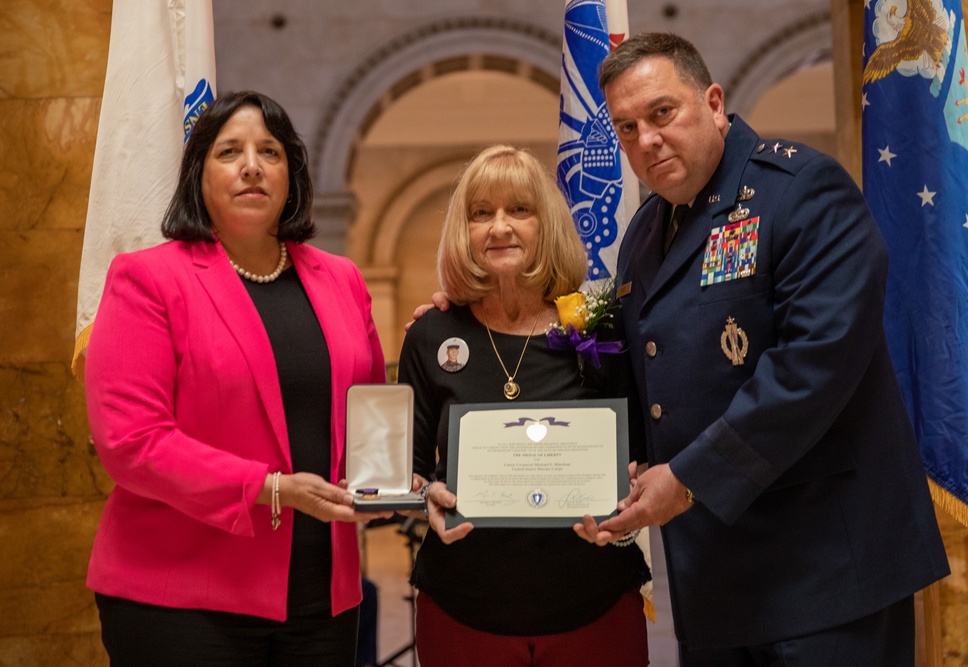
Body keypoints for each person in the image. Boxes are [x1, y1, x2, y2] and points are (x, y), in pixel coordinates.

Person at [585, 32, 950, 664]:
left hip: (828, 571)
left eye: (662, 113)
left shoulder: (801, 188)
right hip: (718, 583)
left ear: (715, 102)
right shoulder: (646, 232)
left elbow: (816, 362)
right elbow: (649, 375)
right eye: (626, 127)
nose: (645, 139)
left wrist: (689, 477)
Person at [84, 90, 391, 666]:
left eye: (269, 152)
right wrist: (269, 488)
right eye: (229, 151)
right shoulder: (147, 279)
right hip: (182, 598)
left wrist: (392, 484)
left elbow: (370, 419)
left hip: (323, 599)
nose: (252, 165)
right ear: (198, 174)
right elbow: (132, 443)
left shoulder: (342, 279)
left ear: (291, 176)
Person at [397, 145, 651, 667]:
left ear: (547, 224)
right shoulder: (431, 335)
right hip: (464, 609)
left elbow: (641, 456)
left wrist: (628, 495)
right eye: (480, 213)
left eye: (520, 210)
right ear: (462, 230)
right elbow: (409, 474)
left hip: (594, 605)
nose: (499, 227)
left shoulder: (599, 328)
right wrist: (427, 499)